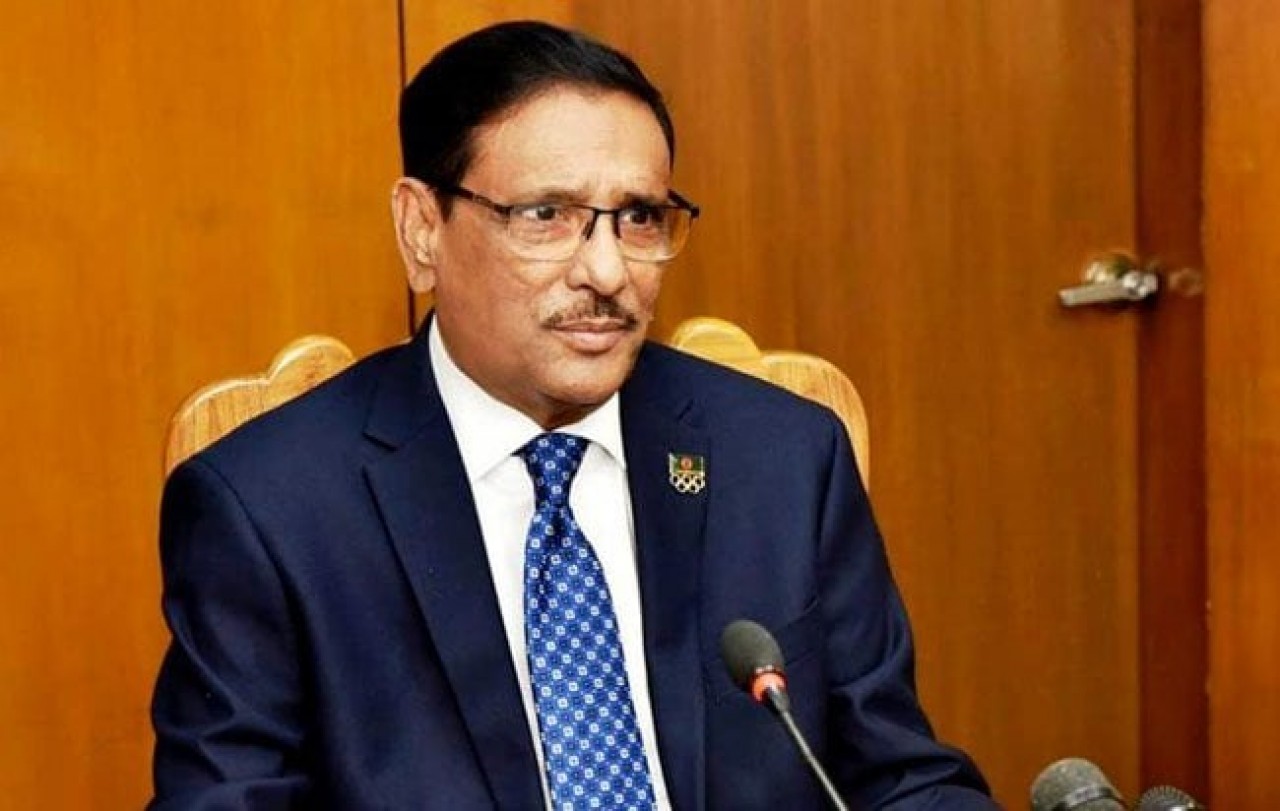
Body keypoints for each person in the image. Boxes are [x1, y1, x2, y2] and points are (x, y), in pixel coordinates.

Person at [150, 20, 997, 810]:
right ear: (421, 229)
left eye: (639, 218)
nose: (607, 271)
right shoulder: (269, 509)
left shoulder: (783, 459)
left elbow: (898, 779)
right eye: (546, 216)